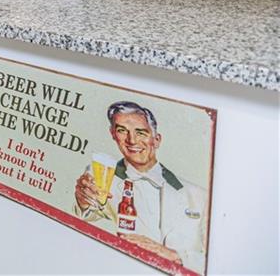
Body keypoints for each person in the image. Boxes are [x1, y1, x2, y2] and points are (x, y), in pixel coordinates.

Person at [73, 101, 209, 274]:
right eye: (122, 131)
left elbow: (215, 261)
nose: (132, 140)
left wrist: (175, 256)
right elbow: (82, 222)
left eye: (141, 132)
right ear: (113, 134)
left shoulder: (198, 195)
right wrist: (83, 201)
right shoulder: (101, 177)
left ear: (156, 139)